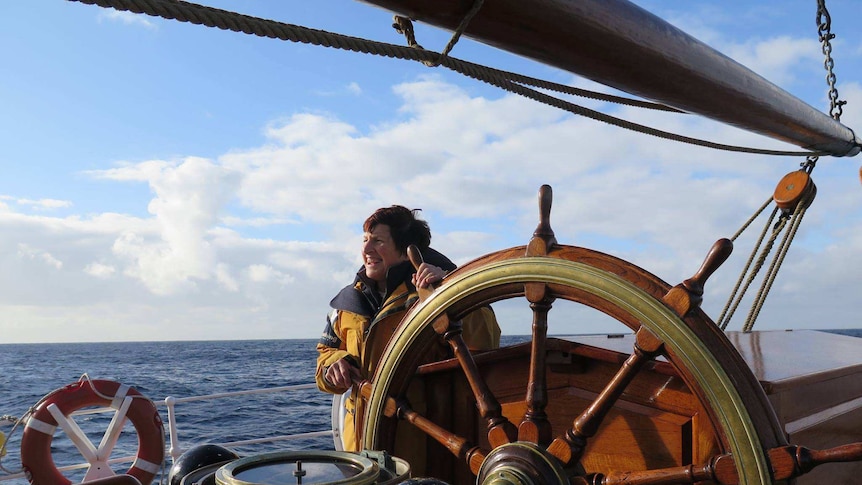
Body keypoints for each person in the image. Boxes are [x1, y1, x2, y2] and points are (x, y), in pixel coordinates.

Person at [315, 205, 500, 453]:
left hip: (419, 443)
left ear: (406, 251)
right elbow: (324, 358)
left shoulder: (434, 290)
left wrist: (449, 291)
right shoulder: (347, 304)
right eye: (365, 240)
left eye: (378, 241)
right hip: (358, 446)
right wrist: (335, 365)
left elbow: (485, 343)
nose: (366, 249)